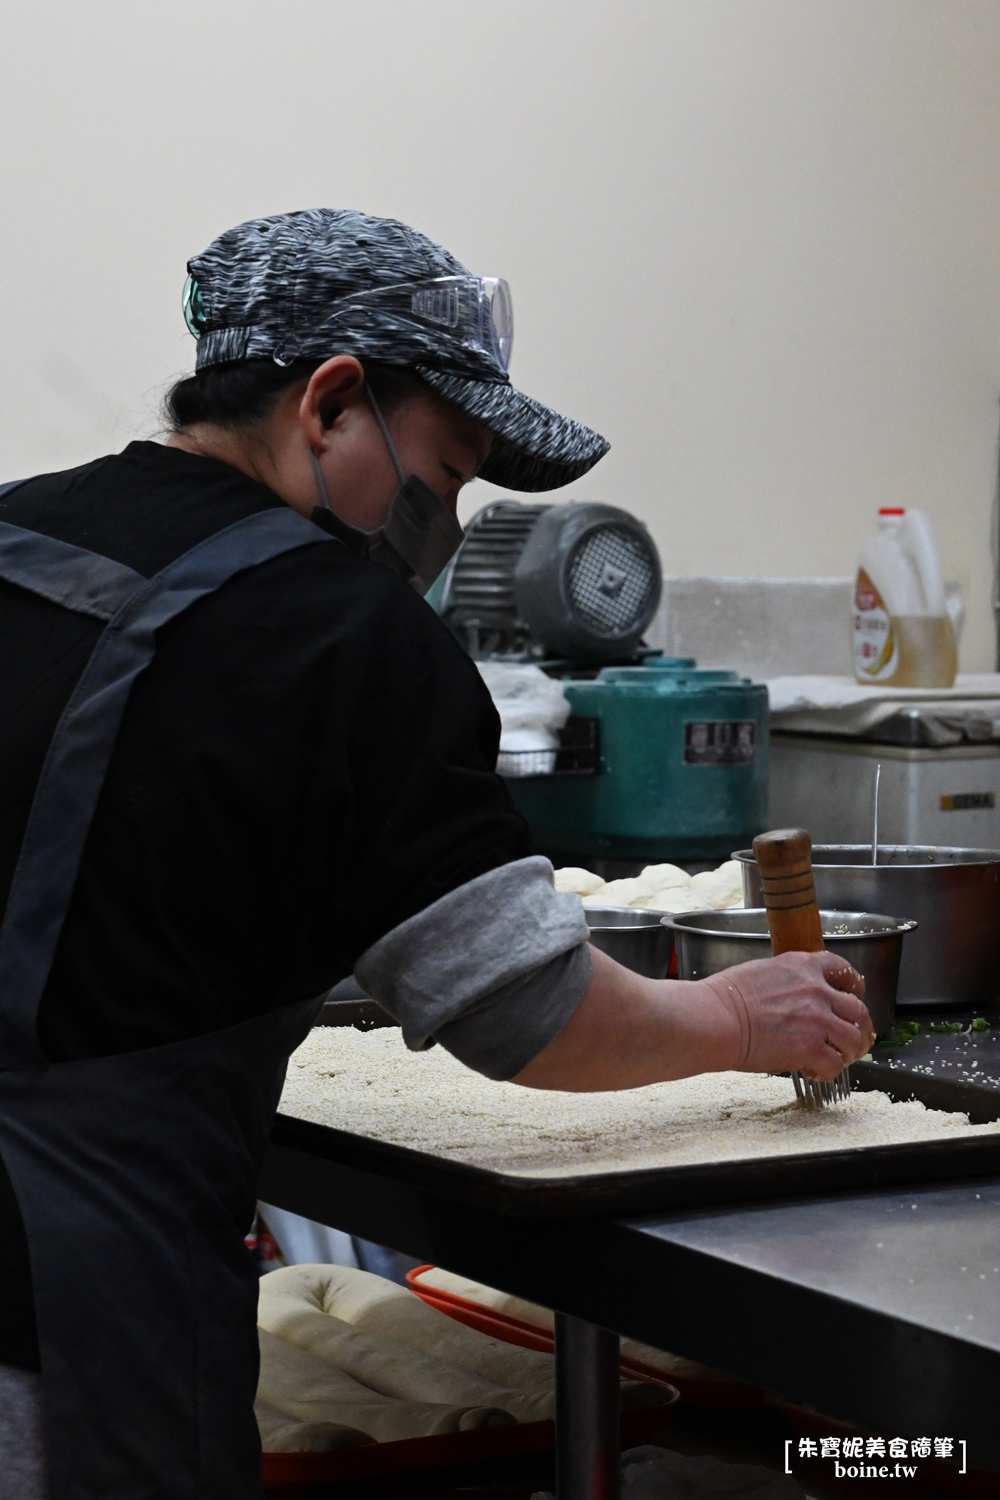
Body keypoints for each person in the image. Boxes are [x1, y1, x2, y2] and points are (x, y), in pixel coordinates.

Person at [0, 208, 873, 1499]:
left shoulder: (19, 535)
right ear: (333, 404)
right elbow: (523, 1008)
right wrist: (732, 1017)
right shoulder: (340, 630)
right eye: (451, 475)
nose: (448, 524)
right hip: (74, 1325)